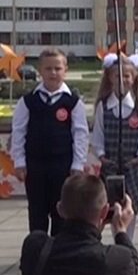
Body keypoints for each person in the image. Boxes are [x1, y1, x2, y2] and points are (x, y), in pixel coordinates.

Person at [11, 48, 89, 236]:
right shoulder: (28, 102)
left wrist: (78, 164)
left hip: (62, 166)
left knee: (61, 212)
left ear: (65, 70)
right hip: (35, 165)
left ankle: (57, 256)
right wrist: (19, 162)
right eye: (48, 69)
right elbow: (19, 132)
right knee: (37, 212)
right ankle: (37, 255)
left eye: (57, 68)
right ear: (40, 71)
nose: (53, 73)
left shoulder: (73, 102)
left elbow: (80, 134)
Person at [20, 174, 138, 275]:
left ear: (60, 209)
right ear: (104, 211)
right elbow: (137, 274)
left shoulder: (35, 248)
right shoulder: (115, 259)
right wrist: (120, 231)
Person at [91, 53, 138, 241]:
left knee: (129, 205)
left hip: (130, 165)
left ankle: (126, 239)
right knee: (107, 205)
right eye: (117, 75)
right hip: (110, 165)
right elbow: (98, 133)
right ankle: (98, 239)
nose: (122, 80)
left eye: (127, 75)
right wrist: (101, 155)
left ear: (134, 78)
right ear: (110, 78)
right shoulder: (104, 106)